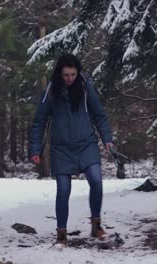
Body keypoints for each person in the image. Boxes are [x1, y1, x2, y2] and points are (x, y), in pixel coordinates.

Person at [28, 54, 114, 246]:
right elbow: (39, 122)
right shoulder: (50, 91)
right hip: (61, 148)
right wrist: (35, 149)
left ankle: (96, 225)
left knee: (96, 180)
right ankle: (61, 234)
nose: (69, 78)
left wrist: (107, 139)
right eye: (66, 75)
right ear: (60, 73)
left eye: (73, 74)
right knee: (64, 190)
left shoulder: (85, 87)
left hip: (86, 144)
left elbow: (99, 114)